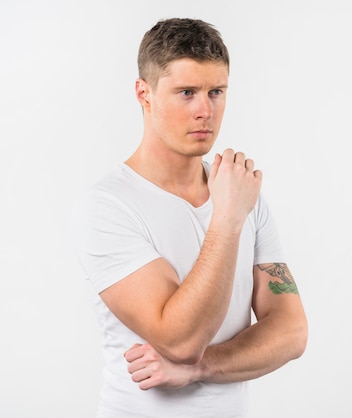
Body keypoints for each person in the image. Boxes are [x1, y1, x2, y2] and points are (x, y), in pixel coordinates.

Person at [71, 17, 307, 418]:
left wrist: (202, 367)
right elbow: (179, 341)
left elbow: (291, 332)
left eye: (216, 92)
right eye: (186, 92)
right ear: (143, 93)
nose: (205, 111)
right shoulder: (108, 206)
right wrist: (228, 218)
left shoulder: (241, 191)